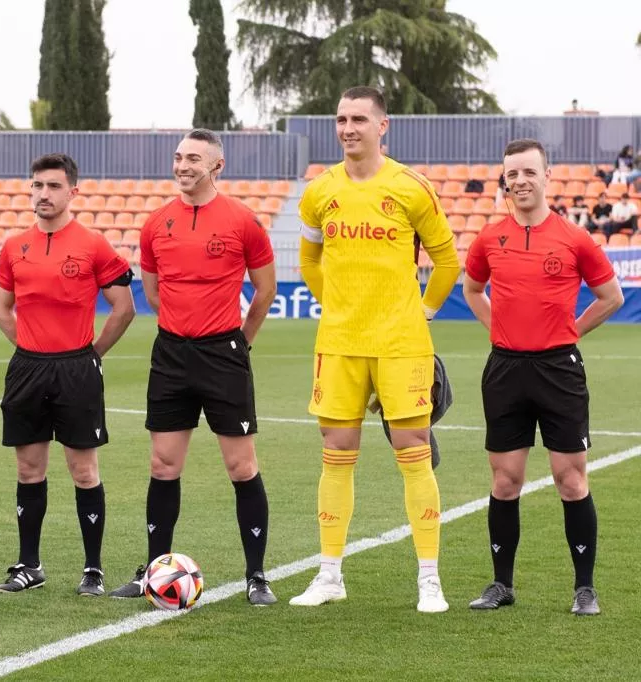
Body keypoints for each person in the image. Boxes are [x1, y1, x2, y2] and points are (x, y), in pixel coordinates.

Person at [290, 86, 460, 614]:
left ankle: (429, 578)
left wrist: (423, 312)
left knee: (412, 453)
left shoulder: (412, 187)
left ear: (382, 126)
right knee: (336, 455)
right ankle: (329, 574)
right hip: (339, 343)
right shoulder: (319, 191)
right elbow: (310, 262)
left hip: (400, 343)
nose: (348, 128)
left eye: (359, 119)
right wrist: (337, 306)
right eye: (341, 119)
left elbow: (448, 261)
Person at [108, 128, 279, 606]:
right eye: (179, 157)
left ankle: (257, 576)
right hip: (171, 354)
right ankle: (154, 571)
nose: (182, 166)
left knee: (241, 465)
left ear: (216, 166)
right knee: (163, 464)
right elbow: (156, 290)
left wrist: (239, 342)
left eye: (194, 159)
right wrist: (182, 329)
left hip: (222, 353)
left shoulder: (243, 221)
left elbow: (264, 290)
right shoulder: (155, 222)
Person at [463, 138, 624, 616]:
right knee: (505, 480)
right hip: (506, 369)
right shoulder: (490, 238)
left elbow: (611, 296)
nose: (521, 181)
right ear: (505, 179)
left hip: (558, 369)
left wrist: (572, 330)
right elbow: (472, 289)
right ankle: (501, 585)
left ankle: (584, 588)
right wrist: (498, 327)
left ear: (546, 176)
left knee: (570, 479)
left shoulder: (574, 238)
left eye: (529, 172)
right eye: (512, 174)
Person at [0, 153, 135, 596]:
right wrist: (33, 347)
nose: (43, 194)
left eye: (53, 186)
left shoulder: (93, 244)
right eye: (37, 186)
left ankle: (93, 570)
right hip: (28, 369)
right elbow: (2, 308)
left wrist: (91, 354)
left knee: (83, 470)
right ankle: (28, 565)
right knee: (29, 468)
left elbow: (124, 308)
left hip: (78, 368)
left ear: (73, 191)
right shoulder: (15, 246)